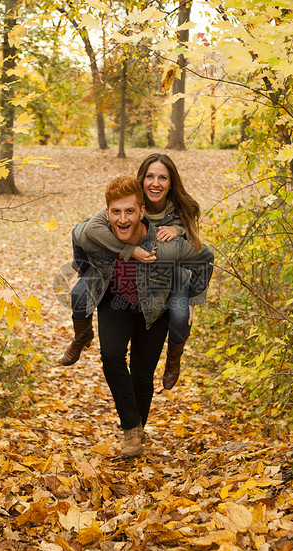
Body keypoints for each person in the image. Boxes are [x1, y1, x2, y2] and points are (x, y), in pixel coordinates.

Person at [70, 176, 214, 458]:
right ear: (107, 212)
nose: (122, 219)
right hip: (116, 303)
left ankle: (137, 431)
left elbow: (205, 259)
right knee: (111, 356)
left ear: (142, 211)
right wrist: (83, 272)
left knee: (142, 375)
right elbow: (78, 236)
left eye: (130, 212)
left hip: (155, 310)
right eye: (116, 212)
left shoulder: (166, 244)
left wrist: (193, 298)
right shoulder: (98, 236)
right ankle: (131, 427)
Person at [60, 154, 203, 390]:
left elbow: (196, 251)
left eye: (163, 177)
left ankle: (174, 359)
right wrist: (130, 250)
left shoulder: (178, 210)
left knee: (180, 317)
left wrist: (177, 230)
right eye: (150, 176)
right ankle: (82, 335)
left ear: (171, 183)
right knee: (78, 294)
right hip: (128, 274)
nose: (155, 183)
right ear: (141, 180)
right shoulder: (126, 201)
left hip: (170, 276)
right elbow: (86, 231)